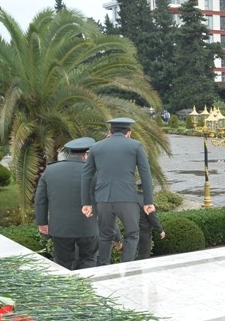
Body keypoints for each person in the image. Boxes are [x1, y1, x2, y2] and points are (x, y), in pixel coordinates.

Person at [81, 116, 156, 266]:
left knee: (105, 235)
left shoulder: (96, 147)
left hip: (103, 199)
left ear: (110, 131)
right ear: (128, 133)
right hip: (127, 198)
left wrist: (86, 203)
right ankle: (126, 267)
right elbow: (145, 174)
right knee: (132, 234)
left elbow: (86, 175)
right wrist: (148, 202)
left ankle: (103, 267)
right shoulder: (135, 146)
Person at [34, 137, 100, 270]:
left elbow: (40, 199)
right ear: (87, 153)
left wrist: (42, 223)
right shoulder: (96, 172)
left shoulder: (50, 170)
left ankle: (67, 290)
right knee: (88, 261)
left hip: (60, 229)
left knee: (63, 264)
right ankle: (87, 288)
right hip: (88, 227)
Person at [136, 189, 165, 260]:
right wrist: (160, 230)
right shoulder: (147, 201)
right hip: (144, 231)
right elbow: (152, 217)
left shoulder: (132, 198)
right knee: (144, 255)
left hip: (132, 230)